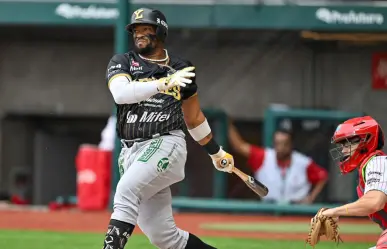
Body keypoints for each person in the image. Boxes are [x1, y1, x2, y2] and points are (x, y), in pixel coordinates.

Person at [102, 7, 235, 249]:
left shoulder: (181, 68)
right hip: (130, 152)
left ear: (160, 31)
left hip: (165, 143)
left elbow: (193, 118)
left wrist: (216, 152)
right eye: (135, 30)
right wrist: (163, 83)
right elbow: (121, 94)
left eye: (146, 29)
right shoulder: (123, 62)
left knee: (125, 192)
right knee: (165, 238)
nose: (139, 34)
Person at [311, 116, 387, 249]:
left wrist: (335, 212)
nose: (343, 150)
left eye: (348, 144)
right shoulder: (370, 166)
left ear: (366, 141)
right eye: (342, 145)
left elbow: (374, 202)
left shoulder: (377, 162)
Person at [228, 121, 328, 204]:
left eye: (284, 144)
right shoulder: (263, 156)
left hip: (296, 210)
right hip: (269, 209)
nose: (280, 148)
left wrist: (311, 197)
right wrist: (229, 124)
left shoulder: (303, 162)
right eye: (277, 144)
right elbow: (239, 146)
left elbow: (323, 176)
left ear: (291, 144)